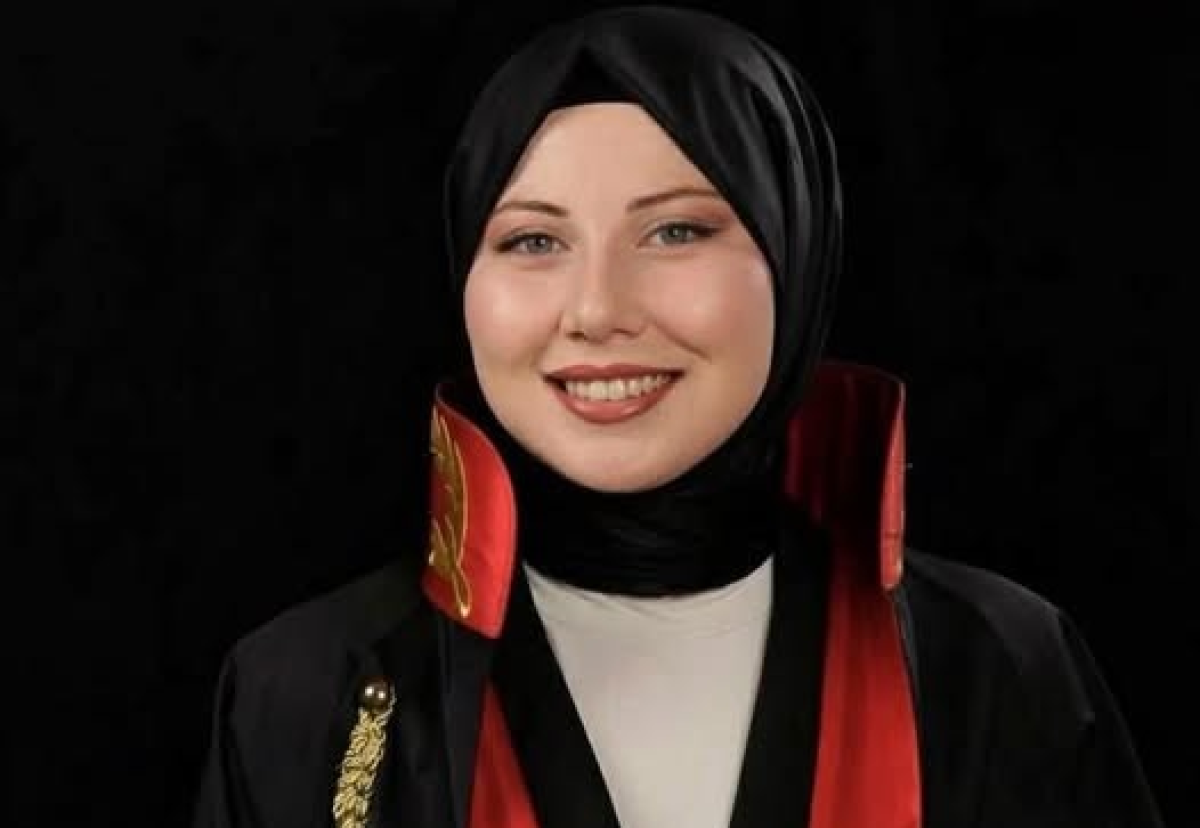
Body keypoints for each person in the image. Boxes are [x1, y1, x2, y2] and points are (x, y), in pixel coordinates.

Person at [192, 6, 1164, 827]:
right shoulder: (307, 691)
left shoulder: (1000, 668)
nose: (597, 309)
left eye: (675, 230)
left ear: (796, 254)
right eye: (533, 240)